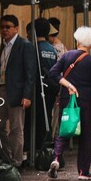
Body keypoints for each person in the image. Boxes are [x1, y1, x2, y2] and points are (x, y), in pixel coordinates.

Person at [48, 27, 91, 181]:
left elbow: (52, 73)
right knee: (85, 134)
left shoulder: (66, 56)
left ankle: (56, 158)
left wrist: (68, 85)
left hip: (66, 98)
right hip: (85, 100)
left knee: (65, 129)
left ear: (77, 41)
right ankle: (83, 171)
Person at [0, 15, 37, 167]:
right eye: (2, 27)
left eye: (8, 27)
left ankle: (16, 162)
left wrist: (27, 95)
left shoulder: (24, 45)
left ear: (16, 28)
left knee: (16, 128)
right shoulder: (4, 45)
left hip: (17, 92)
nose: (4, 30)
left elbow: (30, 72)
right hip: (1, 90)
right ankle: (7, 157)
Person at [32, 18, 59, 148]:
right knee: (47, 116)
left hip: (37, 88)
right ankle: (46, 146)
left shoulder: (33, 48)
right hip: (51, 88)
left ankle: (38, 148)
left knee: (36, 120)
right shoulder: (52, 50)